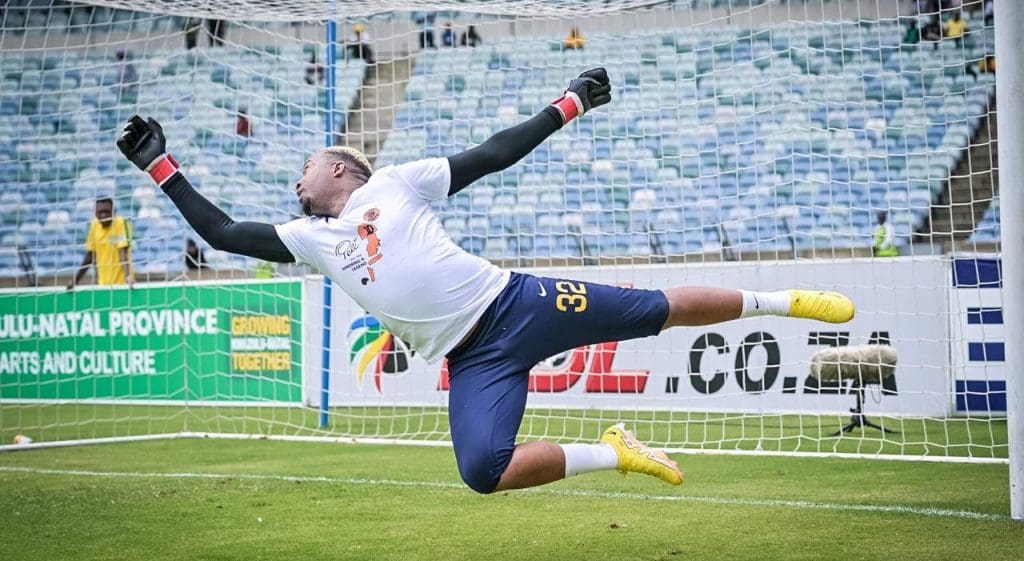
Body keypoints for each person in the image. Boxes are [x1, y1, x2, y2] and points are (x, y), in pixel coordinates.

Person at [116, 68, 855, 495]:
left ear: (341, 168)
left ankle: (783, 301)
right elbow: (219, 233)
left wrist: (566, 105)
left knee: (656, 311)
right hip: (474, 360)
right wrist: (161, 166)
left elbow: (492, 154)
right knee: (481, 471)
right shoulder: (308, 239)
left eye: (306, 165)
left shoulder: (398, 183)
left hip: (516, 304)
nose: (296, 177)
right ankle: (617, 449)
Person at [68, 197, 134, 290]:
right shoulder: (94, 225)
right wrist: (75, 280)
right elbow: (90, 255)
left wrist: (128, 278)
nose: (103, 215)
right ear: (95, 213)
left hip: (123, 285)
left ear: (113, 212)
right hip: (103, 286)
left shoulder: (121, 222)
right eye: (100, 212)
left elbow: (122, 251)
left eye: (107, 211)